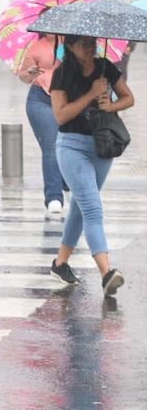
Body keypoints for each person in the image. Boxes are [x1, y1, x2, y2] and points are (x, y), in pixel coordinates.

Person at [47, 35, 134, 295]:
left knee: (81, 206)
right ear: (70, 46)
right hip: (71, 147)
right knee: (92, 208)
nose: (89, 47)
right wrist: (91, 94)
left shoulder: (106, 67)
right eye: (83, 43)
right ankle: (107, 272)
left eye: (91, 42)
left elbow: (129, 98)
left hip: (102, 146)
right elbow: (61, 115)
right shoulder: (62, 73)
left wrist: (110, 104)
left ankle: (60, 264)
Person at [17, 31, 67, 215]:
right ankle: (54, 197)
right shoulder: (35, 47)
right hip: (40, 100)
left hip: (66, 99)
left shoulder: (71, 42)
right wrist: (30, 73)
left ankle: (65, 180)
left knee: (68, 144)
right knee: (51, 146)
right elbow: (23, 76)